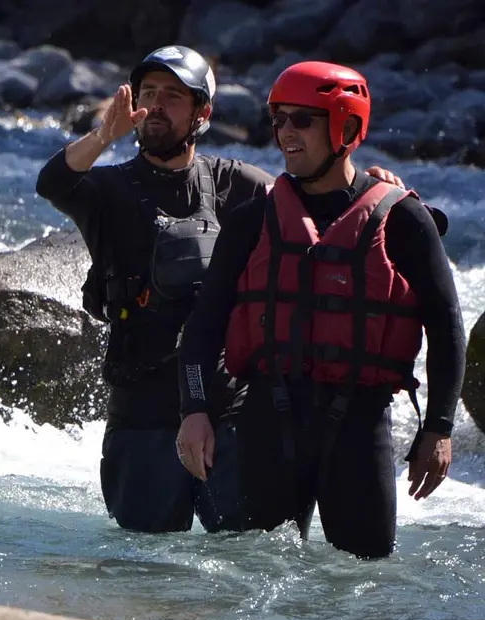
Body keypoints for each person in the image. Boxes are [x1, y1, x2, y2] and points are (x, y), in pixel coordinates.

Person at [36, 46, 406, 535]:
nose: (156, 105)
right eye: (148, 93)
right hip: (141, 415)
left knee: (244, 562)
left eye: (173, 96)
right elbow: (53, 182)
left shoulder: (238, 184)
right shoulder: (107, 191)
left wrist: (370, 186)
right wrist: (105, 135)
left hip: (230, 413)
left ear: (203, 114)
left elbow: (321, 201)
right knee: (142, 570)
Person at [176, 61, 466, 558]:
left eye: (302, 120)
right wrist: (195, 410)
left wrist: (438, 427)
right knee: (251, 576)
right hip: (267, 417)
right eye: (278, 119)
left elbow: (446, 326)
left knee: (363, 582)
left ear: (348, 129)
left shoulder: (403, 220)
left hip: (359, 423)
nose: (285, 132)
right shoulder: (252, 221)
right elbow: (203, 325)